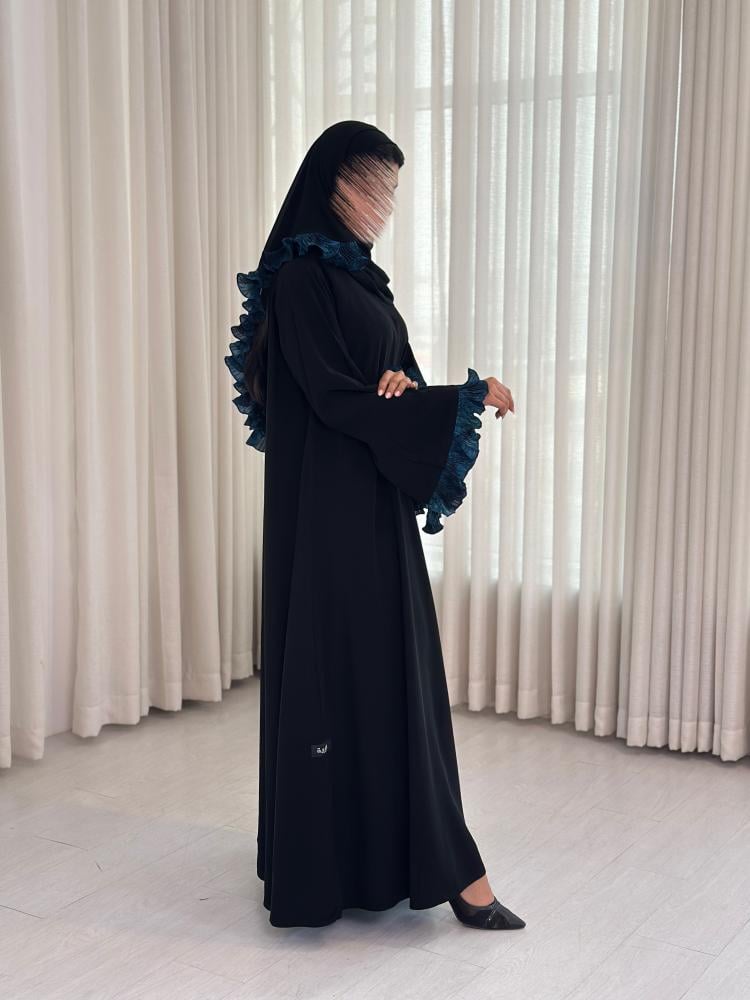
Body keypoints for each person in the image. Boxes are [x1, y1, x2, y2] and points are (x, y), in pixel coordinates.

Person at [224, 120, 524, 931]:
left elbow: (389, 381)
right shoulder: (300, 280)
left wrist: (408, 388)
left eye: (391, 188)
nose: (383, 203)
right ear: (331, 183)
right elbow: (329, 398)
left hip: (374, 504)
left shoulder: (362, 280)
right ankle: (411, 871)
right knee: (348, 675)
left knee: (395, 679)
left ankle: (407, 858)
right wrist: (464, 398)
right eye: (370, 185)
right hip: (329, 517)